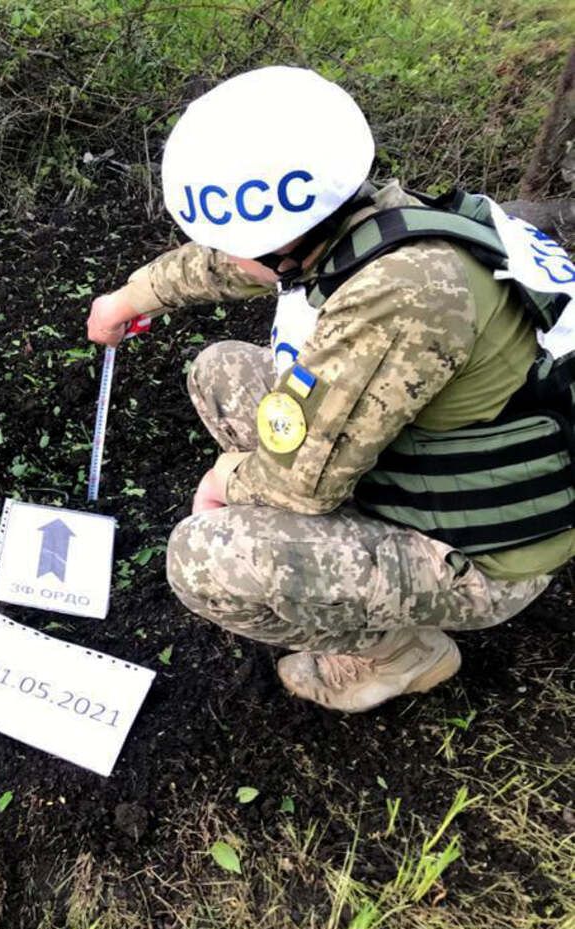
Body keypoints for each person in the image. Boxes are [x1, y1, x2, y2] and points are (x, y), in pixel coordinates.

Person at [86, 65, 575, 712]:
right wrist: (127, 299)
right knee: (221, 370)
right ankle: (353, 547)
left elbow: (296, 485)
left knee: (207, 558)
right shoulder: (377, 218)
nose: (226, 254)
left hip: (493, 544)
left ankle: (402, 654)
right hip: (464, 456)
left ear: (284, 234)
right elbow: (237, 265)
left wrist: (226, 480)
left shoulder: (402, 295)